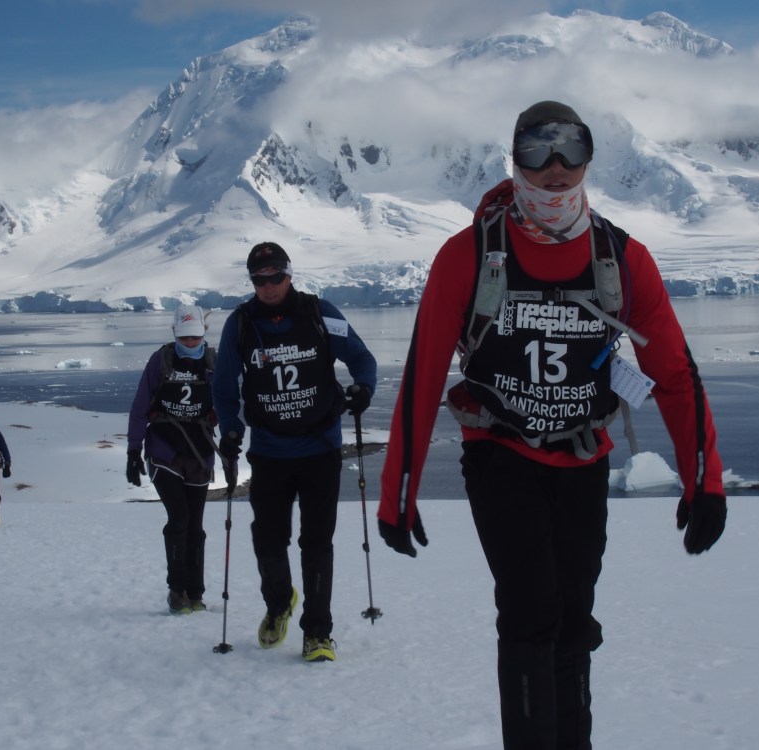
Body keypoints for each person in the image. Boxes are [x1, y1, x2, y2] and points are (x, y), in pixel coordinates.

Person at [377, 101, 727, 749]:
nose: (556, 167)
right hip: (500, 453)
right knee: (531, 611)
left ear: (590, 158)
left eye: (572, 149)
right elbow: (423, 377)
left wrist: (703, 481)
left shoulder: (622, 259)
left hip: (582, 459)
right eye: (538, 150)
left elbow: (675, 374)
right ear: (515, 161)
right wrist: (399, 492)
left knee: (573, 618)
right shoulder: (467, 256)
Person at [212, 241, 377, 663]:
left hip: (321, 448)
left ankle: (317, 633)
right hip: (269, 451)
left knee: (316, 542)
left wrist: (363, 387)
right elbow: (224, 385)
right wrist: (230, 428)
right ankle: (280, 601)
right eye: (259, 280)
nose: (268, 286)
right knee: (268, 541)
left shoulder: (320, 313)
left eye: (276, 277)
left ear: (289, 275)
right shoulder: (240, 323)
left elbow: (361, 357)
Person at [128, 304, 220, 615]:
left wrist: (232, 449)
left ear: (203, 334)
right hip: (164, 451)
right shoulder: (161, 360)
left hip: (200, 454)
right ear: (175, 334)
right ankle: (177, 591)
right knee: (179, 519)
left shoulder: (213, 363)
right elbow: (141, 403)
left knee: (195, 526)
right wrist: (133, 450)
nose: (190, 343)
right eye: (184, 338)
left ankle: (196, 593)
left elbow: (228, 404)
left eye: (195, 337)